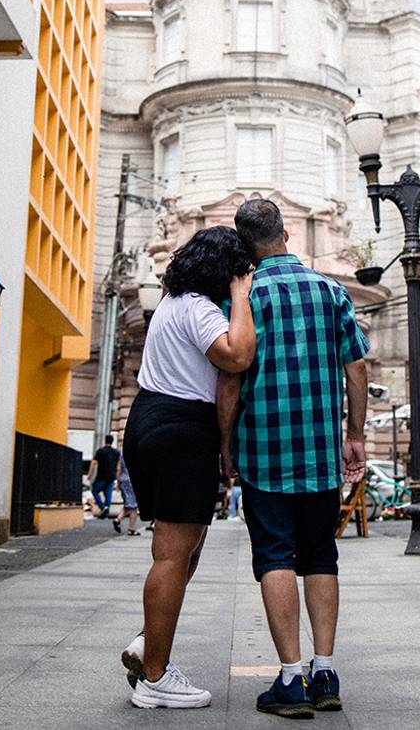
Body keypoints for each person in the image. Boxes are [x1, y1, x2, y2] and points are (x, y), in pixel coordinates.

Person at [220, 198, 369, 719]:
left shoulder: (243, 297)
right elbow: (356, 368)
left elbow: (230, 378)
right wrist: (354, 435)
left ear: (245, 245)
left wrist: (226, 445)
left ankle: (289, 678)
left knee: (275, 558)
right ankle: (324, 669)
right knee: (321, 556)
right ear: (286, 235)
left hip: (263, 452)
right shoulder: (331, 290)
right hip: (319, 454)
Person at [121, 226, 256, 710]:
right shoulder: (200, 308)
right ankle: (155, 679)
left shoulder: (170, 304)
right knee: (172, 555)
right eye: (241, 269)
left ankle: (146, 643)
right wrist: (240, 295)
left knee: (184, 547)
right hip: (181, 427)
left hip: (150, 420)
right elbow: (237, 356)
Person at [88, 434, 120, 519]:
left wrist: (90, 474)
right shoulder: (116, 452)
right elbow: (118, 466)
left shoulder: (100, 451)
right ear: (112, 441)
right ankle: (105, 514)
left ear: (105, 440)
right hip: (111, 476)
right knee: (108, 495)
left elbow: (93, 463)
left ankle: (102, 507)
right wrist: (118, 478)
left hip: (101, 476)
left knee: (94, 491)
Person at [113, 454, 140, 535]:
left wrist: (118, 482)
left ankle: (118, 519)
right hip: (133, 480)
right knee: (133, 506)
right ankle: (131, 528)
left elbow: (118, 468)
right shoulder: (136, 454)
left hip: (123, 480)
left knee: (128, 504)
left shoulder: (123, 455)